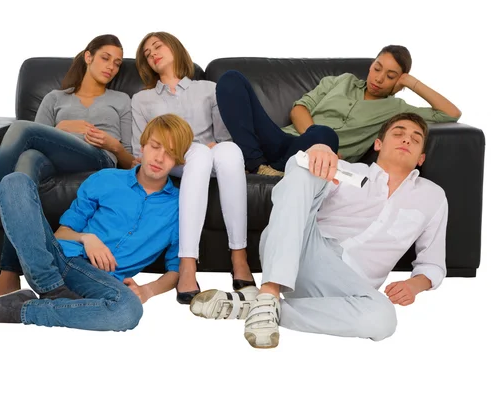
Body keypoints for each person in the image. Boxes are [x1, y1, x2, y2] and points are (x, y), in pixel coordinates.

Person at [190, 112, 448, 349]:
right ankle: (269, 291)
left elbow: (433, 263)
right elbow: (298, 179)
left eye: (415, 139)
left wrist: (415, 285)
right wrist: (319, 150)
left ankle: (259, 307)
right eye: (398, 133)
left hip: (349, 288)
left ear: (421, 158)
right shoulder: (349, 170)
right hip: (304, 252)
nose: (406, 140)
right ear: (378, 144)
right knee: (308, 166)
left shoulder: (433, 198)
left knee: (383, 319)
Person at [0, 34, 135, 298]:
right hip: (53, 159)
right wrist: (61, 128)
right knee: (23, 167)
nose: (111, 66)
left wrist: (112, 143)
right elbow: (35, 139)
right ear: (88, 57)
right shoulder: (55, 98)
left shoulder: (121, 100)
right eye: (105, 58)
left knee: (22, 129)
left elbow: (129, 160)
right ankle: (8, 276)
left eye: (118, 63)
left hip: (98, 156)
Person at [0, 114, 194, 331]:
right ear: (143, 145)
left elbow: (176, 270)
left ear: (178, 161)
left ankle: (23, 308)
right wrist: (87, 238)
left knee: (129, 310)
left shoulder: (179, 208)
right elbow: (61, 234)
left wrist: (147, 290)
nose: (160, 158)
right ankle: (51, 287)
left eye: (171, 153)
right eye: (155, 146)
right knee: (14, 182)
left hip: (99, 281)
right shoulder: (106, 179)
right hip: (57, 260)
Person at [132, 32, 268, 304]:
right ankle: (187, 265)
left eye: (157, 46)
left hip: (212, 154)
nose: (153, 53)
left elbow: (222, 138)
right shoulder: (142, 100)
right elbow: (140, 151)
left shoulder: (208, 88)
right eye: (147, 53)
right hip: (176, 160)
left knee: (229, 151)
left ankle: (239, 257)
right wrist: (184, 149)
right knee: (198, 154)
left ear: (174, 48)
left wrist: (213, 147)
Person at [216, 45, 461, 176]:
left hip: (321, 156)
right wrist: (313, 137)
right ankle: (258, 164)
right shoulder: (340, 81)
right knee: (231, 79)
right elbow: (299, 109)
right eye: (377, 68)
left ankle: (267, 164)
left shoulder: (397, 110)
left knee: (327, 137)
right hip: (282, 140)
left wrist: (411, 82)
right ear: (371, 65)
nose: (378, 78)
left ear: (399, 81)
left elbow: (451, 114)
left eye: (391, 76)